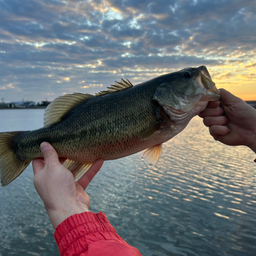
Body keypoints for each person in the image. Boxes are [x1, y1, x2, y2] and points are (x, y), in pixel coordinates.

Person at [33, 88, 256, 256]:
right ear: (163, 95)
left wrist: (62, 207)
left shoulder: (166, 115)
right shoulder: (160, 114)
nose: (195, 77)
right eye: (187, 76)